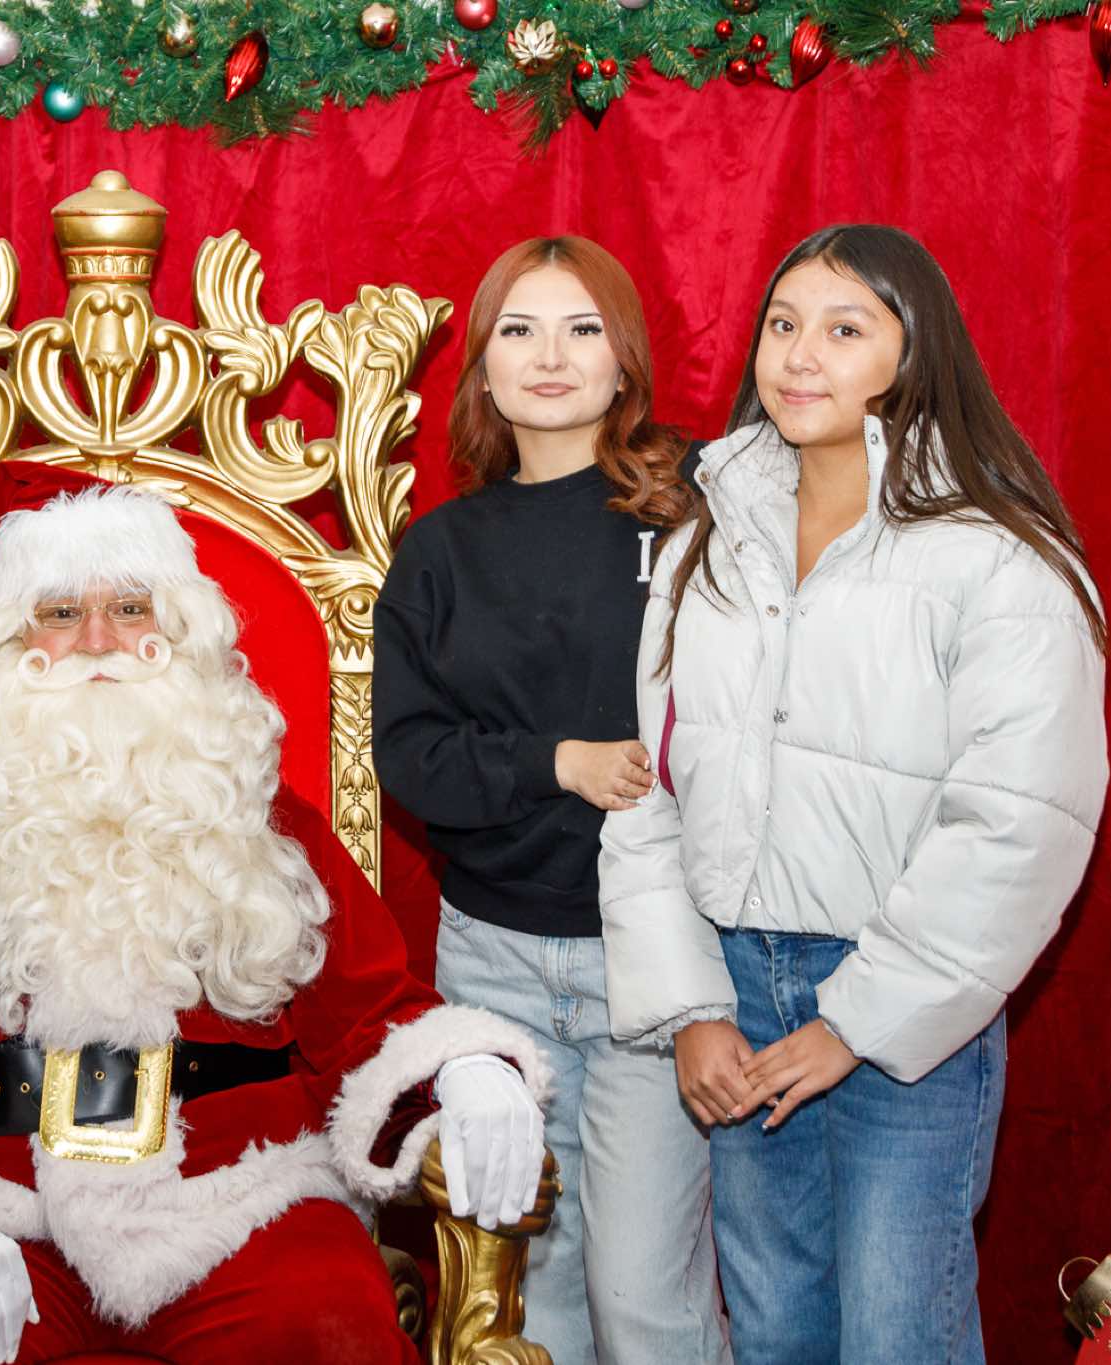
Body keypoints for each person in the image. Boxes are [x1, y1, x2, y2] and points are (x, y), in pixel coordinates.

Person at [0, 462, 551, 1365]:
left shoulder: (256, 815)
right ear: (7, 639)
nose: (99, 640)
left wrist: (462, 1068)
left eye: (131, 608)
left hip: (235, 1203)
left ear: (177, 628)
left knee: (330, 1325)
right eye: (62, 611)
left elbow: (372, 1006)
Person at [598, 224, 1109, 1362]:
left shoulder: (998, 558)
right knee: (773, 1327)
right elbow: (649, 788)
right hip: (735, 986)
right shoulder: (703, 544)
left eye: (843, 329)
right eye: (782, 324)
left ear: (913, 351)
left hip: (905, 1004)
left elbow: (1018, 822)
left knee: (898, 1333)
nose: (799, 355)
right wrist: (689, 1008)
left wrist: (856, 1020)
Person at [374, 236, 730, 1364]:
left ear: (624, 362)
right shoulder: (439, 552)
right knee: (538, 1297)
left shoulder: (697, 506)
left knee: (645, 1297)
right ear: (482, 367)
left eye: (582, 330)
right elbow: (411, 758)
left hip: (653, 958)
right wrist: (556, 763)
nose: (549, 356)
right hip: (494, 962)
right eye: (518, 331)